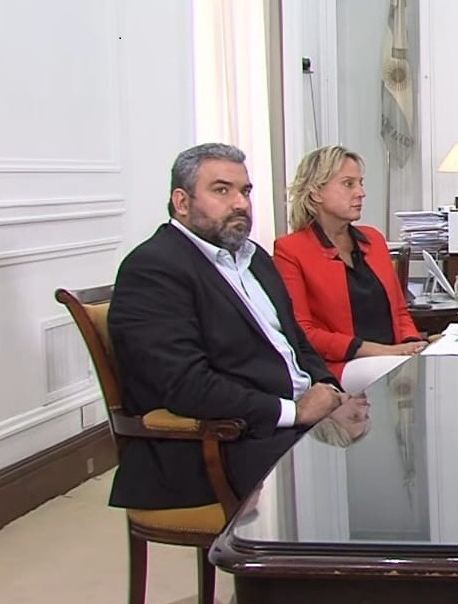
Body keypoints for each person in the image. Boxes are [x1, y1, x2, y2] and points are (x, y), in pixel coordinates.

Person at [108, 143, 345, 510]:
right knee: (358, 483)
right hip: (222, 443)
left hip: (291, 421)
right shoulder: (153, 269)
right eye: (222, 190)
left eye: (245, 191)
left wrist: (329, 388)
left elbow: (295, 341)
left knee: (395, 446)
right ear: (182, 202)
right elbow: (186, 386)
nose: (240, 203)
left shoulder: (254, 258)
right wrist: (295, 412)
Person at [273, 146, 426, 383]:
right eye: (348, 184)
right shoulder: (290, 250)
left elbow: (399, 311)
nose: (361, 193)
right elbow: (303, 332)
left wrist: (411, 344)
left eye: (360, 183)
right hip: (340, 365)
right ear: (316, 192)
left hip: (393, 358)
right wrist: (383, 352)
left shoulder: (373, 239)